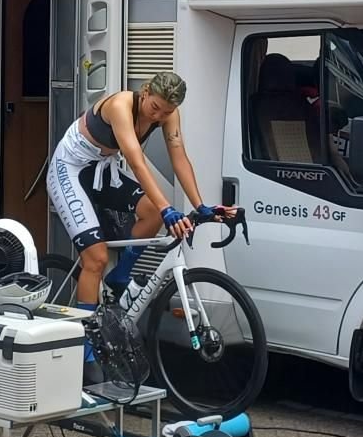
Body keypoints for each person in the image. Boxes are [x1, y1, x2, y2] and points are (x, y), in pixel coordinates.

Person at [46, 71, 238, 321]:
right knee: (96, 258)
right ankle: (84, 342)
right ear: (145, 91)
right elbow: (137, 163)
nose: (158, 116)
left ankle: (120, 276)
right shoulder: (120, 105)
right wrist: (167, 208)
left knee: (151, 212)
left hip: (102, 167)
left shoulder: (169, 113)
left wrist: (200, 206)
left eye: (166, 112)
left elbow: (179, 159)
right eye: (155, 107)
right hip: (69, 168)